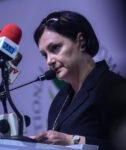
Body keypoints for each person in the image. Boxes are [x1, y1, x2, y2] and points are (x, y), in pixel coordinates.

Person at [32, 10, 126, 150]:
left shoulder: (113, 87)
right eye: (45, 55)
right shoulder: (59, 100)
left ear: (80, 42)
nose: (49, 61)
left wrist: (72, 141)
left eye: (55, 48)